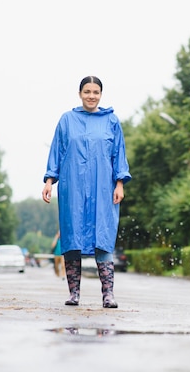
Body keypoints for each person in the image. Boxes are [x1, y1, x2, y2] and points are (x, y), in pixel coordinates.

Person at [42, 75, 131, 308]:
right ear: (79, 93)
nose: (91, 96)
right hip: (73, 188)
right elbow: (57, 152)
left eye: (96, 92)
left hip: (103, 189)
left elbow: (118, 154)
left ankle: (108, 295)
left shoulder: (111, 121)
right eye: (87, 92)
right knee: (72, 239)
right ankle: (74, 294)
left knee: (103, 236)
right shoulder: (67, 120)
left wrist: (119, 183)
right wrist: (50, 181)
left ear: (101, 94)